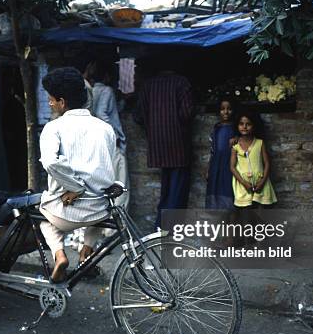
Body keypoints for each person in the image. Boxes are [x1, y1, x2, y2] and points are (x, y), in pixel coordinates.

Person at [39, 67, 117, 282]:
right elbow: (106, 170)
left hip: (66, 214)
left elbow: (50, 162)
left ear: (62, 102)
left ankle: (59, 255)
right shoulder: (105, 129)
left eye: (51, 99)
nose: (49, 103)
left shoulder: (53, 128)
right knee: (97, 210)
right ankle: (86, 249)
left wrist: (76, 188)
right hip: (100, 210)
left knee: (42, 217)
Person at [136, 67, 194, 228]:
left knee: (167, 189)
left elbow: (139, 115)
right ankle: (169, 229)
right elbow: (187, 113)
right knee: (177, 189)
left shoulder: (148, 85)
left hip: (158, 144)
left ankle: (160, 226)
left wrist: (153, 128)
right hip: (178, 143)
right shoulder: (182, 82)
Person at [91, 61, 130, 210]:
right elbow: (102, 113)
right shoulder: (107, 90)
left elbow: (110, 111)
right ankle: (118, 226)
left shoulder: (92, 91)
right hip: (112, 145)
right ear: (107, 76)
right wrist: (115, 136)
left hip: (99, 146)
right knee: (120, 186)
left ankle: (107, 228)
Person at [230, 110, 277, 208]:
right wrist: (243, 183)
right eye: (241, 124)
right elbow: (232, 167)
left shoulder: (260, 143)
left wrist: (263, 181)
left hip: (261, 184)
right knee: (246, 215)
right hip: (243, 186)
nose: (244, 127)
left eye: (248, 124)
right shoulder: (235, 145)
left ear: (254, 125)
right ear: (237, 126)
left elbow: (267, 163)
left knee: (262, 214)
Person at [205, 98, 237, 210]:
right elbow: (212, 149)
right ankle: (219, 223)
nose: (226, 112)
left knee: (228, 190)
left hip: (229, 165)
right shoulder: (216, 128)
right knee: (216, 190)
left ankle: (230, 222)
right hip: (216, 165)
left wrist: (237, 138)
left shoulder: (235, 128)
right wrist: (209, 169)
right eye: (222, 109)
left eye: (229, 109)